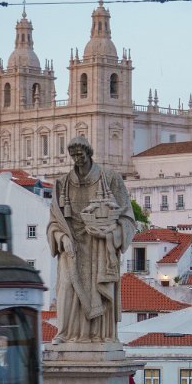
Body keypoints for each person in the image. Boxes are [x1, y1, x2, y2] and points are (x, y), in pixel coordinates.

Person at [47, 135, 136, 343]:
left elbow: (127, 218)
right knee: (67, 287)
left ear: (89, 153)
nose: (77, 159)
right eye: (73, 155)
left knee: (98, 289)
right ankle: (66, 334)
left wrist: (109, 234)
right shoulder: (62, 184)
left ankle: (100, 335)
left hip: (100, 247)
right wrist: (62, 238)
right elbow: (53, 223)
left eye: (80, 154)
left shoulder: (110, 179)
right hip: (71, 245)